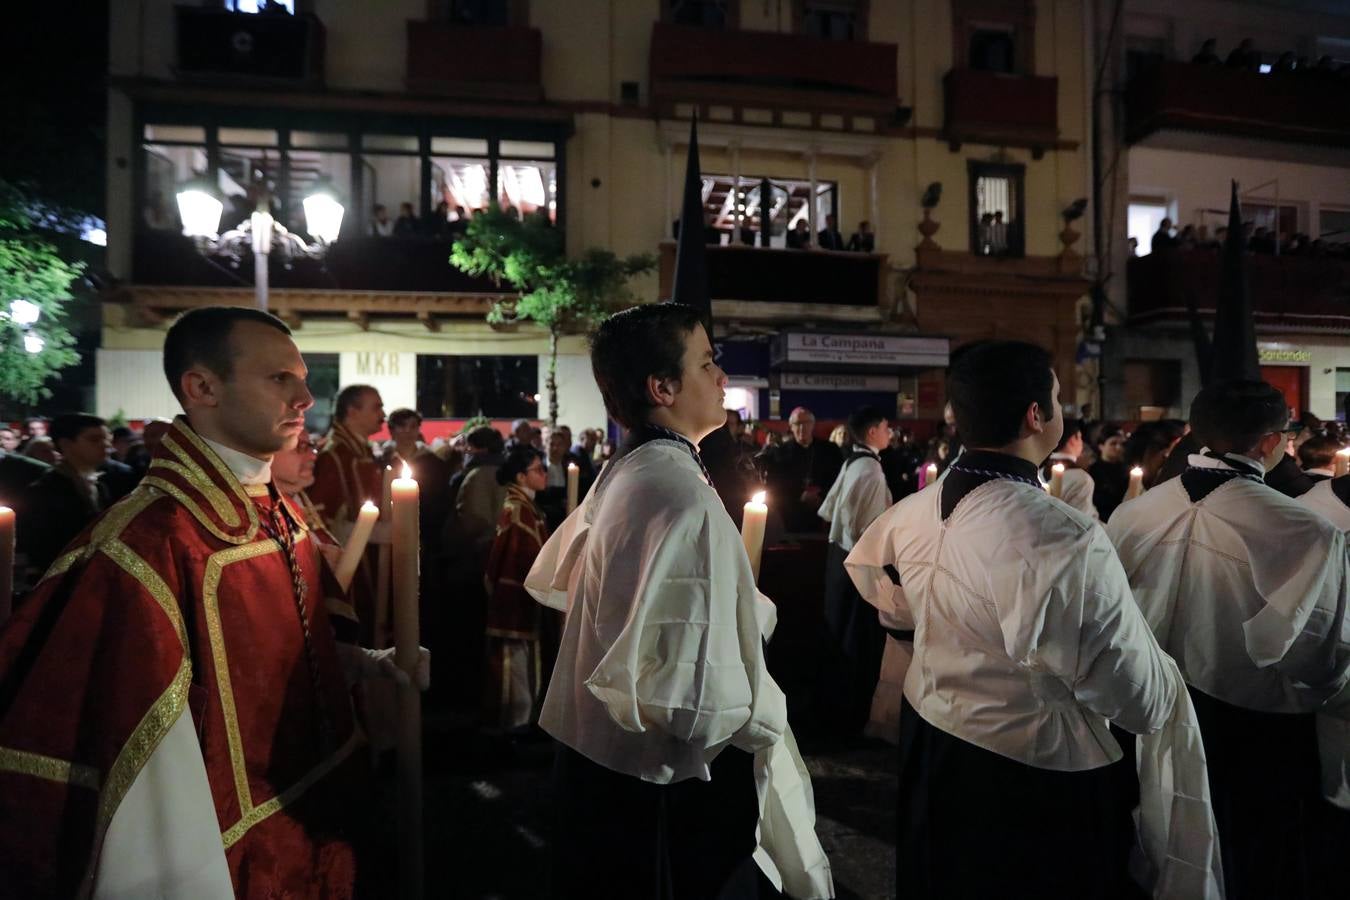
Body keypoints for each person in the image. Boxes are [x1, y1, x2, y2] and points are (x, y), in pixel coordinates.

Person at [0, 306, 427, 897]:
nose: (305, 398)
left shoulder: (277, 509)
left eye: (303, 379)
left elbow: (292, 646)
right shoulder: (151, 542)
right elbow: (150, 768)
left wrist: (363, 665)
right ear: (202, 387)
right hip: (225, 857)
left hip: (317, 817)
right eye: (279, 378)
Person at [845, 340, 1219, 898]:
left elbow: (897, 609)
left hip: (936, 736)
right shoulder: (1062, 533)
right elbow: (1131, 690)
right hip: (1028, 768)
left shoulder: (914, 509)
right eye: (1059, 397)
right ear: (1036, 415)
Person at [525, 303, 831, 900]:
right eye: (707, 363)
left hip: (608, 763)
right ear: (661, 388)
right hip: (662, 775)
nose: (722, 378)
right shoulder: (678, 493)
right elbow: (698, 694)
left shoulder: (636, 469)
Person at [1106, 379, 1349, 899]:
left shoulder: (1133, 513)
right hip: (1253, 723)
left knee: (1160, 831)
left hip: (1150, 706)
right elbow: (1315, 649)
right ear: (1271, 442)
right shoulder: (1304, 529)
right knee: (1255, 850)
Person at [817, 406, 893, 737]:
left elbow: (830, 509)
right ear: (873, 431)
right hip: (857, 562)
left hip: (839, 558)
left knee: (841, 633)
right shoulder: (871, 470)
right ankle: (851, 717)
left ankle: (837, 711)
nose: (890, 433)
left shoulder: (853, 462)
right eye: (886, 427)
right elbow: (870, 530)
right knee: (856, 639)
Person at [482, 446, 551, 731]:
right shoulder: (518, 511)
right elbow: (512, 561)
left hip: (524, 602)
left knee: (526, 672)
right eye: (538, 469)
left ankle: (520, 726)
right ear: (521, 477)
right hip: (514, 604)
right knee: (515, 675)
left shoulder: (528, 508)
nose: (545, 474)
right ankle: (511, 731)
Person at [310, 384, 385, 634]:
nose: (383, 414)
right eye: (376, 407)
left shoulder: (357, 450)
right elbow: (321, 521)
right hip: (353, 566)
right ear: (352, 411)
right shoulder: (334, 455)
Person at [17, 413, 112, 579]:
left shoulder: (101, 485)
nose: (106, 445)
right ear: (66, 444)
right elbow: (41, 549)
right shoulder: (44, 491)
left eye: (107, 439)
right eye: (94, 439)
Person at [756, 406, 842, 533]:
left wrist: (821, 495)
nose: (802, 428)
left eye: (806, 423)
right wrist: (799, 494)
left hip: (823, 510)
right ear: (791, 427)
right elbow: (774, 484)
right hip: (790, 512)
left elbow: (837, 478)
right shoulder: (779, 453)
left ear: (813, 425)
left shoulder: (829, 450)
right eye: (797, 424)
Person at [1041, 418, 1097, 519]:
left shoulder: (1038, 472)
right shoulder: (1081, 478)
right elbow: (1082, 520)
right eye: (1080, 438)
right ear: (1073, 440)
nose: (1082, 443)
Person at [1088, 426, 1129, 520]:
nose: (1118, 447)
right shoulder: (1093, 470)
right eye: (1113, 443)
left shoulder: (1126, 469)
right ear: (1101, 446)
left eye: (1121, 444)